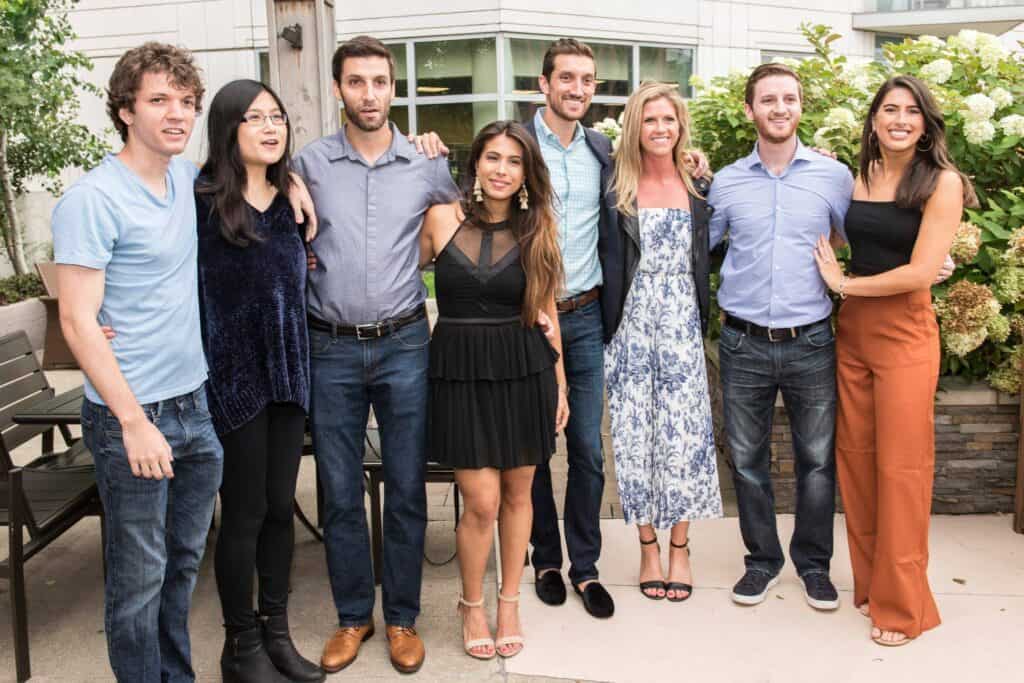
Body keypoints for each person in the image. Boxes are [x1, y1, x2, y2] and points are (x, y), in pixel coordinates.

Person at [51, 43, 222, 683]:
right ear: (125, 110)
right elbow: (75, 319)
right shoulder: (93, 199)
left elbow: (241, 168)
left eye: (186, 102)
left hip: (193, 406)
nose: (177, 114)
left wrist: (289, 180)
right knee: (138, 579)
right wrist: (131, 422)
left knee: (181, 565)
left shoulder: (181, 176)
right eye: (158, 100)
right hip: (134, 416)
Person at [291, 35, 460, 675]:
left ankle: (402, 619)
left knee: (408, 485)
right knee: (337, 489)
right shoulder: (305, 163)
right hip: (328, 346)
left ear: (394, 88)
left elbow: (463, 237)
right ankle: (353, 615)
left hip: (404, 342)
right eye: (356, 82)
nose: (369, 93)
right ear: (339, 88)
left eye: (380, 82)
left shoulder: (425, 164)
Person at [813, 75, 976, 647]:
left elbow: (918, 271)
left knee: (902, 472)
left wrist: (844, 285)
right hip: (852, 336)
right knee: (856, 465)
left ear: (926, 124)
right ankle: (871, 588)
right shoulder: (857, 176)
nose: (900, 119)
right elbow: (839, 237)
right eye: (889, 109)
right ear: (874, 119)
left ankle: (904, 608)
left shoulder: (943, 182)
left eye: (911, 111)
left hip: (905, 335)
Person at [421, 120, 569, 659]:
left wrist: (559, 385)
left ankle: (508, 601)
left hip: (523, 367)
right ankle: (470, 604)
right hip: (459, 369)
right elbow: (386, 268)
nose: (502, 170)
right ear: (476, 163)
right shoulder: (440, 218)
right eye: (493, 158)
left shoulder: (538, 227)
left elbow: (546, 310)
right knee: (480, 502)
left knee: (518, 495)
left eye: (513, 161)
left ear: (526, 172)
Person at [708, 62, 853, 611]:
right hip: (743, 342)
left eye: (788, 99)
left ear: (800, 106)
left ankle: (814, 565)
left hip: (811, 339)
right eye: (767, 100)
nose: (779, 109)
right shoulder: (726, 181)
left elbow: (848, 237)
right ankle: (762, 562)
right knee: (747, 461)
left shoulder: (833, 177)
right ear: (750, 110)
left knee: (817, 460)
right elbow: (711, 248)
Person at [195, 79, 323, 682]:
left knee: (280, 508)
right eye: (255, 118)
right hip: (234, 380)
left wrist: (292, 182)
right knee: (242, 512)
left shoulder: (290, 200)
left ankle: (277, 630)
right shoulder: (199, 201)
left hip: (289, 379)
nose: (271, 128)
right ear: (228, 128)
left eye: (278, 116)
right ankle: (238, 644)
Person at [604, 82, 723, 603]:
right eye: (650, 120)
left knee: (684, 441)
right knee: (634, 440)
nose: (660, 129)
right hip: (629, 324)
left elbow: (719, 249)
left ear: (680, 128)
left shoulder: (698, 185)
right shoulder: (615, 185)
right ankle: (646, 545)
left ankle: (680, 547)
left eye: (668, 121)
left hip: (680, 323)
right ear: (636, 126)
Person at [522, 37, 617, 620]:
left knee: (587, 448)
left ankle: (586, 566)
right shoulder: (514, 145)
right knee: (535, 448)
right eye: (567, 78)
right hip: (529, 316)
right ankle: (545, 557)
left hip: (585, 315)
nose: (578, 88)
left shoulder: (602, 149)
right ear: (544, 84)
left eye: (587, 79)